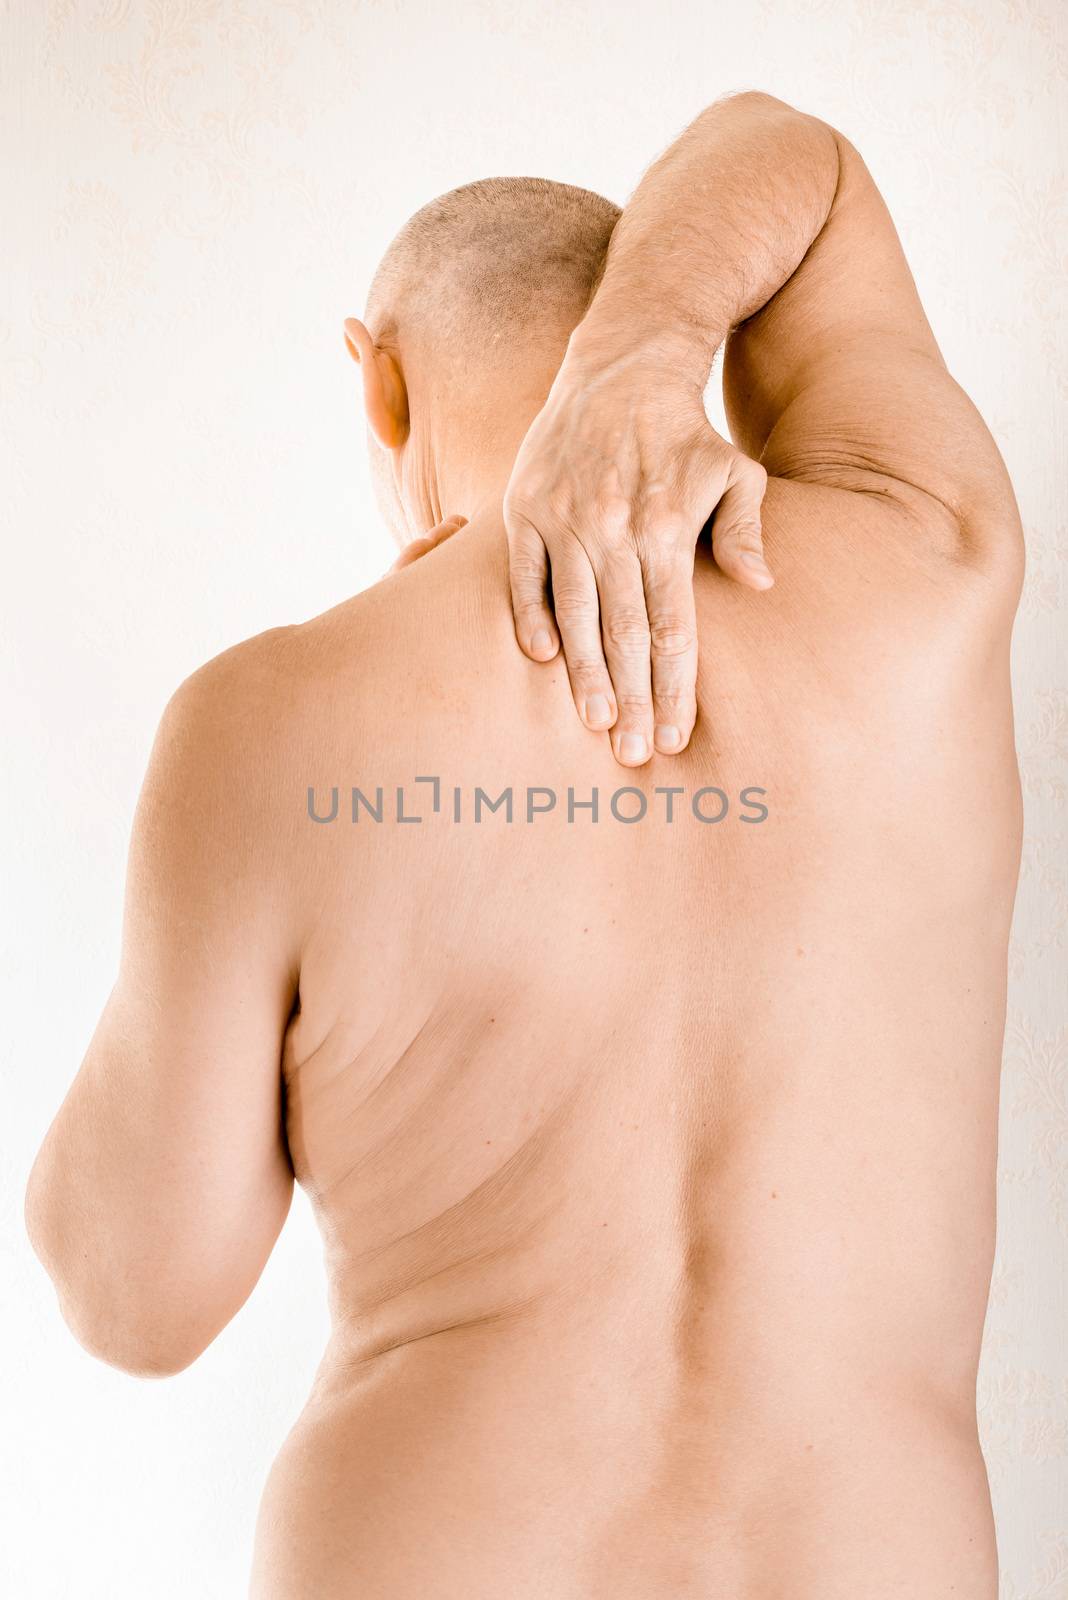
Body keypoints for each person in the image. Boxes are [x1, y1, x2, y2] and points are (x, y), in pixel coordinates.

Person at [25, 91, 1023, 1598]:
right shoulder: (925, 567)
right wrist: (651, 353)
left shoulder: (268, 724)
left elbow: (134, 1301)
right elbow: (792, 152)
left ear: (380, 387)